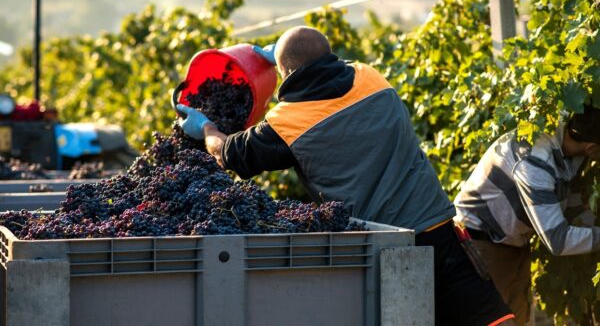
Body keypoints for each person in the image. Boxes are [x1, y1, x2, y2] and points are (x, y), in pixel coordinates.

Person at [177, 26, 516, 325]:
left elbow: (228, 154)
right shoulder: (370, 77)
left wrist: (205, 126)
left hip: (383, 249)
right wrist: (286, 56)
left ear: (286, 73)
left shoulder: (287, 124)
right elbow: (328, 62)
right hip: (439, 231)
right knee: (492, 319)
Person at [454, 106, 600, 326]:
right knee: (490, 320)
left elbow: (571, 209)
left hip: (511, 243)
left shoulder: (568, 146)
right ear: (591, 148)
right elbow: (558, 240)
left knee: (518, 319)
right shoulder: (534, 163)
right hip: (479, 245)